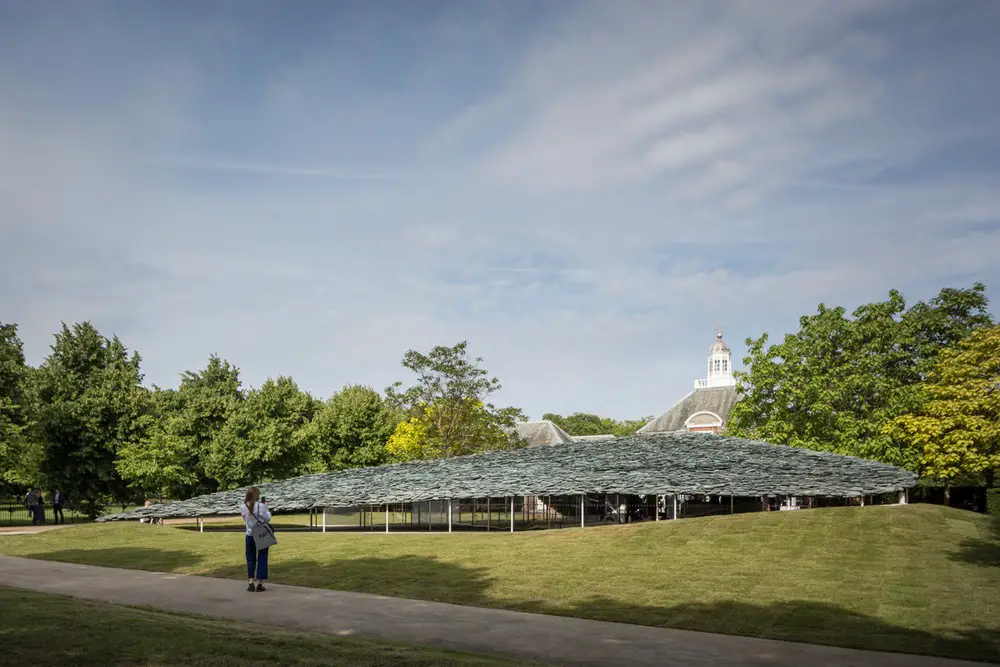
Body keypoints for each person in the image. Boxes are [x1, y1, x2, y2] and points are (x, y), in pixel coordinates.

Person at [240, 487, 271, 592]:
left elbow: (245, 519)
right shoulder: (261, 506)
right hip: (261, 533)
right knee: (262, 557)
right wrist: (266, 508)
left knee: (250, 559)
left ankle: (250, 582)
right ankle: (260, 584)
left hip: (249, 534)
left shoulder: (243, 507)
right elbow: (268, 519)